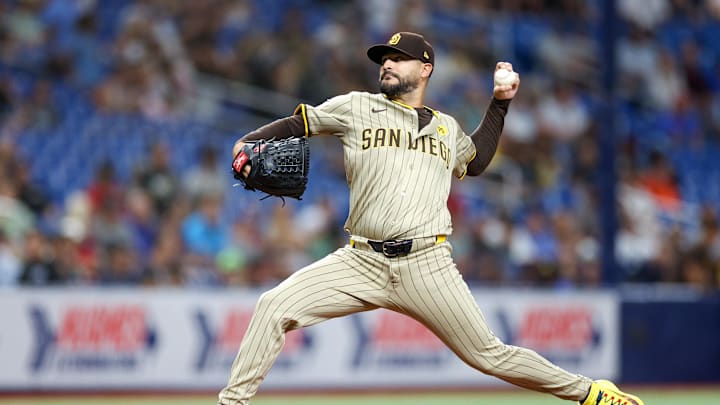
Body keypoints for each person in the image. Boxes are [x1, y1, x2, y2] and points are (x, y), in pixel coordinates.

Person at [219, 32, 644, 405]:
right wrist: (248, 141)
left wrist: (500, 104)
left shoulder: (446, 128)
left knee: (490, 355)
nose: (386, 63)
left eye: (396, 58)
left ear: (425, 69)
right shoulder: (356, 107)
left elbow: (474, 163)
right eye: (383, 58)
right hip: (360, 260)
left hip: (427, 264)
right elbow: (301, 122)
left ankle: (591, 393)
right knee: (273, 305)